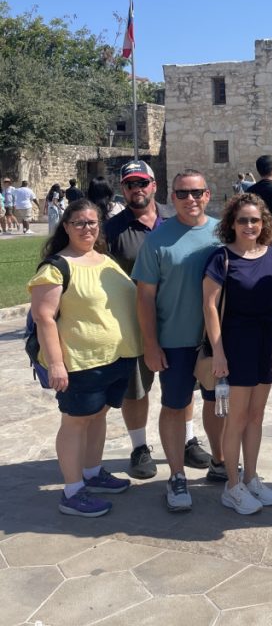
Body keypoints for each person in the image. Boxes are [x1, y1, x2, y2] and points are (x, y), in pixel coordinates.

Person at [28, 199, 140, 516]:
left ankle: (92, 472)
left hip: (115, 358)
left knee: (99, 416)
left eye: (92, 222)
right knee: (75, 423)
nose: (86, 228)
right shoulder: (56, 267)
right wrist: (57, 364)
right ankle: (73, 490)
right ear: (66, 226)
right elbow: (44, 318)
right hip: (81, 362)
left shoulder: (104, 260)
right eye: (79, 222)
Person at [105, 160, 205, 482]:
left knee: (183, 384)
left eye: (142, 183)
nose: (137, 190)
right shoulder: (113, 230)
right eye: (130, 185)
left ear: (154, 185)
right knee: (136, 388)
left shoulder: (175, 218)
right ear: (123, 189)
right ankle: (139, 447)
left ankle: (187, 438)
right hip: (134, 320)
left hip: (180, 316)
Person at [133, 170, 224, 512]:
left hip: (215, 341)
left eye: (197, 192)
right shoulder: (158, 240)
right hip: (174, 340)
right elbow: (144, 298)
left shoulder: (222, 233)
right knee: (174, 405)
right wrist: (151, 344)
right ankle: (176, 474)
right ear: (172, 197)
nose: (191, 199)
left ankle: (220, 461)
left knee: (218, 404)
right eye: (183, 193)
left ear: (208, 194)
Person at [203, 194, 272, 514]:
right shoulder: (222, 258)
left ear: (263, 222)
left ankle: (251, 477)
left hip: (265, 344)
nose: (249, 225)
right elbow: (210, 306)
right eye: (243, 220)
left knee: (256, 416)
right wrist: (219, 352)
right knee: (236, 419)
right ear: (231, 224)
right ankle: (232, 485)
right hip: (235, 345)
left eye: (255, 219)